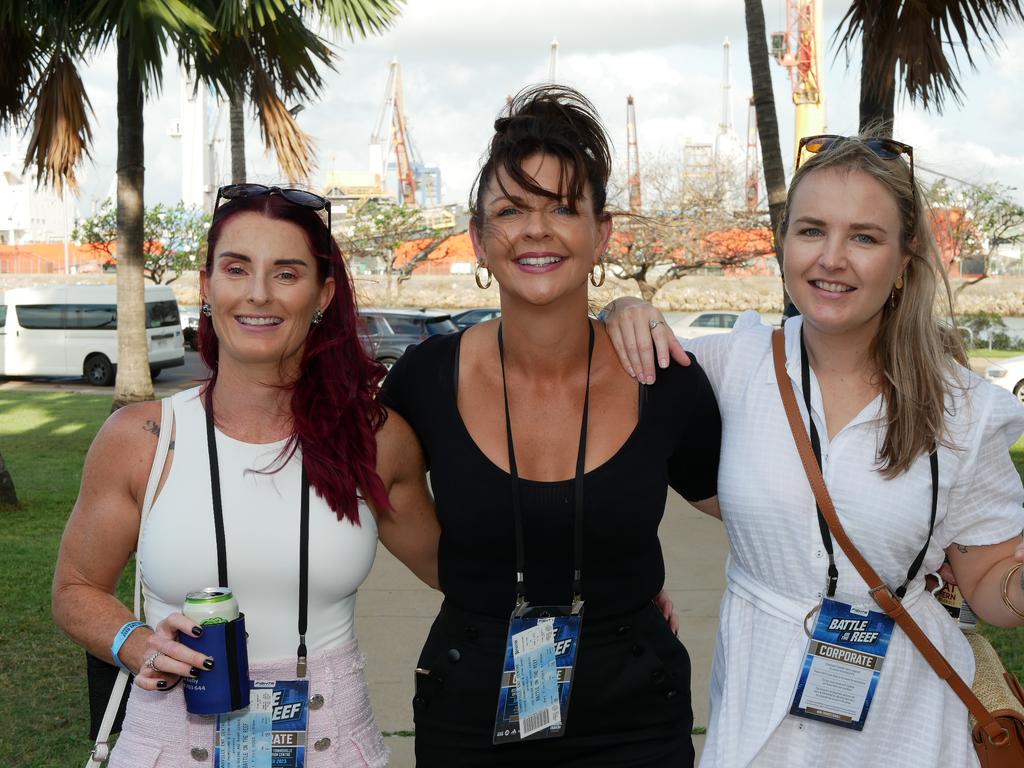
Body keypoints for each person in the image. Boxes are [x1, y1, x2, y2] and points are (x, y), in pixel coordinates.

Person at [604, 132, 1024, 767]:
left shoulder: (965, 407)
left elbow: (991, 588)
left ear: (905, 256)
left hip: (906, 724)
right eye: (811, 231)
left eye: (864, 237)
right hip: (759, 706)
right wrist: (624, 307)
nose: (832, 259)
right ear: (783, 244)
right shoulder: (728, 364)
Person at [379, 85, 722, 767]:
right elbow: (390, 500)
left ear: (602, 234)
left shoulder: (664, 378)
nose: (536, 229)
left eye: (564, 208)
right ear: (478, 238)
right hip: (470, 694)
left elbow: (762, 509)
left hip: (635, 705)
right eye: (510, 210)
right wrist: (486, 597)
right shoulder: (423, 379)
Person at [52, 185, 438, 766]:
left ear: (323, 294)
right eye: (237, 268)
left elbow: (460, 570)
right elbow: (75, 589)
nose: (258, 294)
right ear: (207, 287)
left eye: (286, 273)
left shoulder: (375, 440)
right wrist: (135, 643)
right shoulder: (141, 438)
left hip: (333, 745)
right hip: (170, 743)